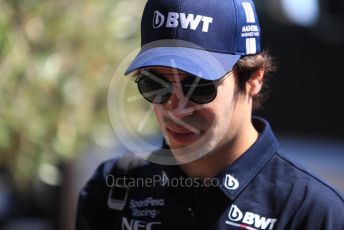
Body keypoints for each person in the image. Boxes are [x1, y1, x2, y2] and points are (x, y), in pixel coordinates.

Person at [75, 0, 344, 229]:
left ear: (254, 78)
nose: (175, 107)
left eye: (198, 86)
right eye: (155, 84)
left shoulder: (313, 213)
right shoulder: (112, 190)